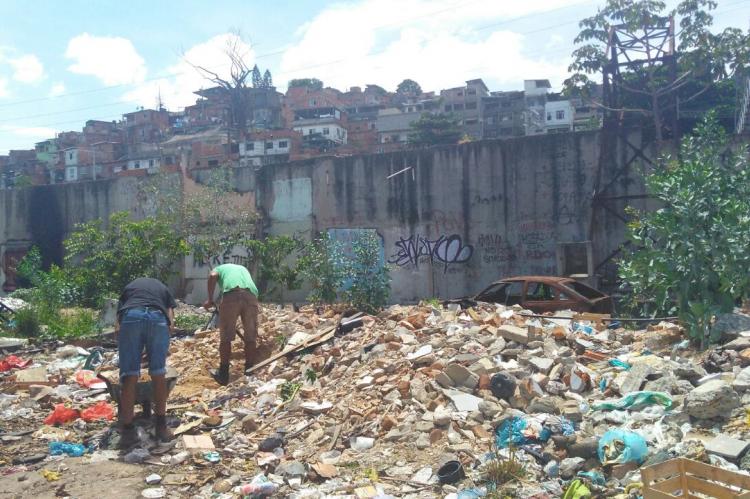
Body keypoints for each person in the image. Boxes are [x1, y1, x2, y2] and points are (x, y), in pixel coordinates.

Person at [116, 277, 176, 446]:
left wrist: (123, 335)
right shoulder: (163, 287)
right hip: (157, 318)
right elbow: (170, 316)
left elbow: (120, 315)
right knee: (158, 373)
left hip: (131, 316)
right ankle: (161, 427)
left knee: (130, 375)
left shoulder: (129, 286)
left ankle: (127, 431)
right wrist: (166, 330)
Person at [202, 263, 260, 386]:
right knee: (250, 337)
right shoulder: (243, 268)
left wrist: (210, 299)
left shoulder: (219, 269)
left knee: (226, 338)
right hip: (251, 296)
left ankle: (223, 374)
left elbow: (212, 276)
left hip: (231, 294)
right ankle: (249, 373)